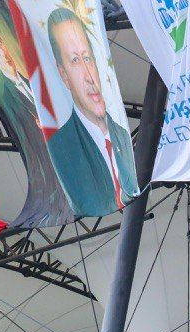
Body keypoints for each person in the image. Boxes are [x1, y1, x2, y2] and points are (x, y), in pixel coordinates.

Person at [44, 6, 138, 215]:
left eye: (87, 58)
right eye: (75, 61)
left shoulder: (122, 135)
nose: (89, 76)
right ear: (64, 75)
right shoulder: (61, 148)